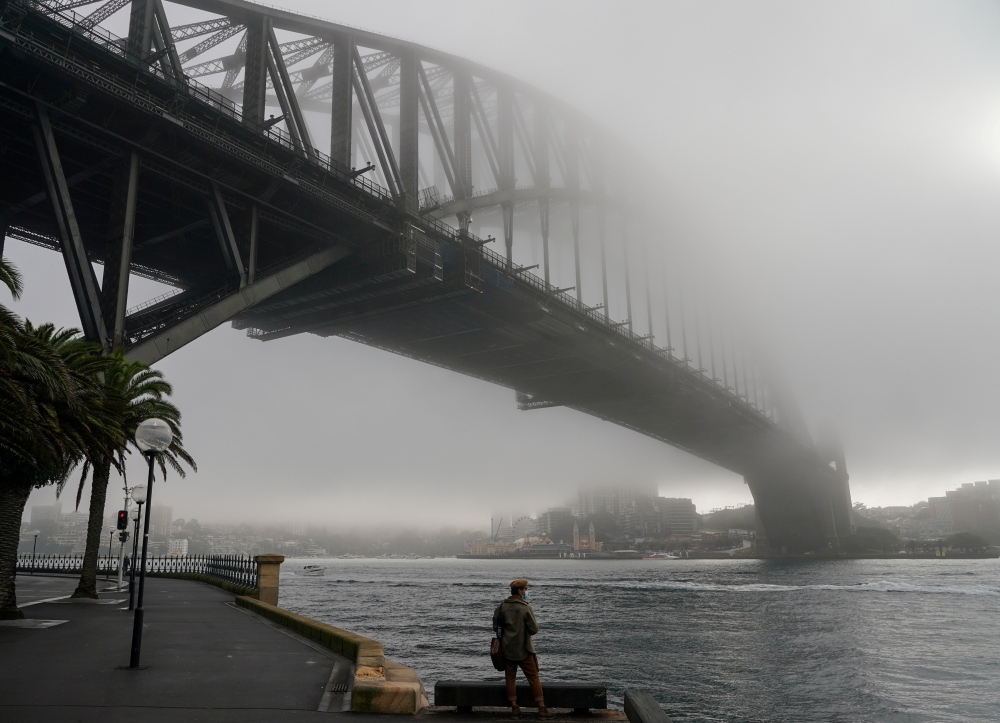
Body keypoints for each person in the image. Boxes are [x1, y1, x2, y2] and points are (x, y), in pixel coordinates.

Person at [493, 579, 553, 719]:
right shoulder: (525, 608)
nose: (526, 592)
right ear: (520, 591)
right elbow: (534, 629)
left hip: (507, 650)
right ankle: (541, 709)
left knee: (510, 678)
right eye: (525, 590)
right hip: (524, 650)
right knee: (533, 677)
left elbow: (496, 628)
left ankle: (514, 708)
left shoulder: (501, 607)